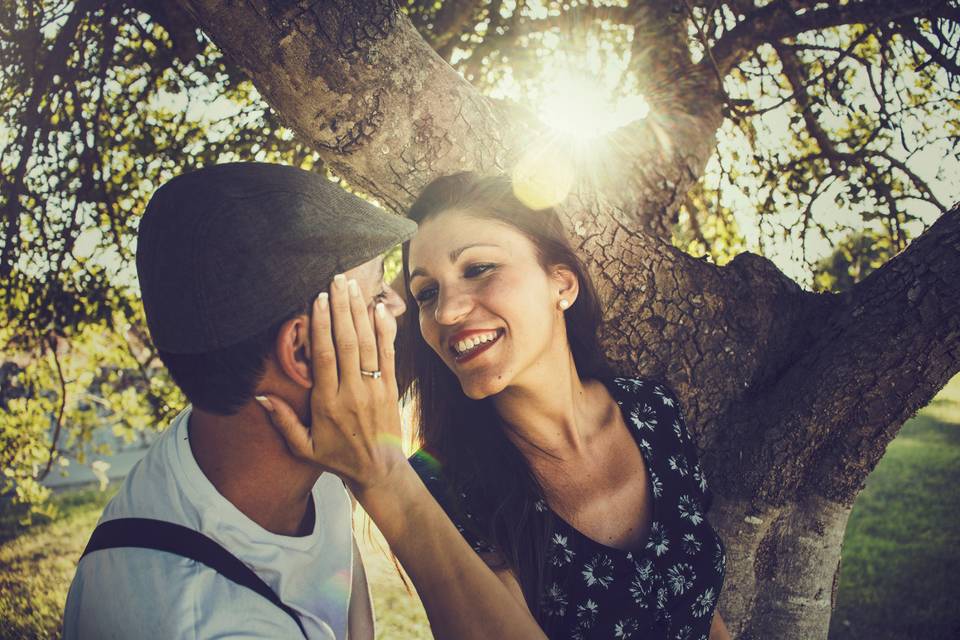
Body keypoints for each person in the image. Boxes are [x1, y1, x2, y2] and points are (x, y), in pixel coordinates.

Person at [63, 163, 544, 639]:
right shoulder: (201, 620)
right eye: (377, 296)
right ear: (303, 351)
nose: (397, 308)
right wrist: (385, 473)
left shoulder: (250, 429)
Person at [397, 172, 731, 639]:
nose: (446, 312)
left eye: (478, 269)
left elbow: (702, 610)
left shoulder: (654, 412)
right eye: (426, 294)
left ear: (562, 286)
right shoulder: (444, 485)